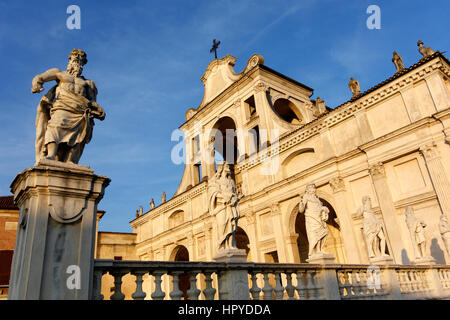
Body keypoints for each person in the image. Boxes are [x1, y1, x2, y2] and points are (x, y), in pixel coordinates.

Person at [31, 49, 105, 164]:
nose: (77, 62)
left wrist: (98, 110)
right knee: (55, 126)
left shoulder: (89, 83)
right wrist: (36, 83)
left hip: (80, 112)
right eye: (75, 58)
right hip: (62, 107)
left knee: (79, 136)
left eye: (80, 60)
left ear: (83, 64)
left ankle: (70, 161)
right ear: (69, 60)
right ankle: (51, 155)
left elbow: (92, 102)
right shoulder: (59, 73)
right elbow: (40, 77)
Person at [299, 183, 329, 258]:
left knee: (322, 232)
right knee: (314, 234)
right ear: (307, 190)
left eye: (314, 187)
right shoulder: (306, 196)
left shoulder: (317, 198)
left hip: (318, 217)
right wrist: (301, 205)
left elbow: (319, 207)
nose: (313, 189)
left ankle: (319, 249)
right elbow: (301, 210)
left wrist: (324, 209)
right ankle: (316, 250)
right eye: (311, 187)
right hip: (311, 217)